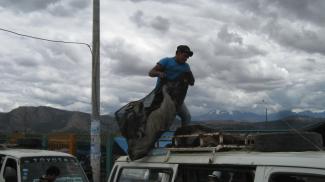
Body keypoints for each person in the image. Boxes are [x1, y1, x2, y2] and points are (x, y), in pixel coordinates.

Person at [149, 45, 195, 126]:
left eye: (187, 57)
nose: (186, 58)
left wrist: (189, 77)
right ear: (177, 53)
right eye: (185, 56)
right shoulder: (166, 61)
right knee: (162, 121)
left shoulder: (186, 67)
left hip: (176, 99)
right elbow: (151, 72)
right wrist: (159, 73)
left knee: (187, 117)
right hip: (161, 97)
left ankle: (183, 137)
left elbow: (192, 82)